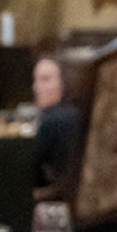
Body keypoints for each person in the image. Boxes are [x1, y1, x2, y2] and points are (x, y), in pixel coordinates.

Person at [32, 56, 83, 202]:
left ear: (63, 82)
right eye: (35, 80)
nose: (37, 87)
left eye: (46, 79)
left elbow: (31, 167)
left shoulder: (53, 120)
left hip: (59, 198)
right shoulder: (80, 113)